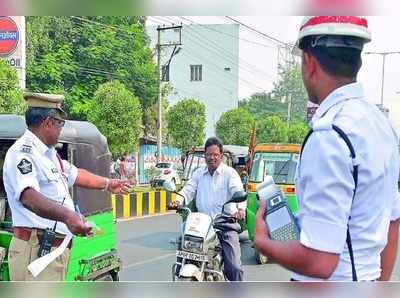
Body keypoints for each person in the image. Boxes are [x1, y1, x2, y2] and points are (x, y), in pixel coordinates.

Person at [254, 16, 400, 281]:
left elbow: (320, 262)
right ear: (358, 60)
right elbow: (393, 220)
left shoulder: (329, 135)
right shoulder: (383, 126)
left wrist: (265, 244)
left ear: (309, 62)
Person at [2, 92, 133, 281]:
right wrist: (69, 216)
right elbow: (28, 197)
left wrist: (108, 184)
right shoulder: (23, 154)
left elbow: (76, 174)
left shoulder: (49, 155)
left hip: (50, 252)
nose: (60, 129)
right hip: (36, 252)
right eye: (60, 123)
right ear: (48, 122)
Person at [169, 137, 246, 281]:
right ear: (205, 155)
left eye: (215, 154)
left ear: (221, 156)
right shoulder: (199, 173)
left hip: (224, 223)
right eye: (209, 154)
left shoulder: (230, 173)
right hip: (201, 225)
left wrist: (240, 209)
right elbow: (188, 190)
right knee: (182, 248)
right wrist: (177, 201)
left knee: (234, 267)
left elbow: (237, 190)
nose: (212, 158)